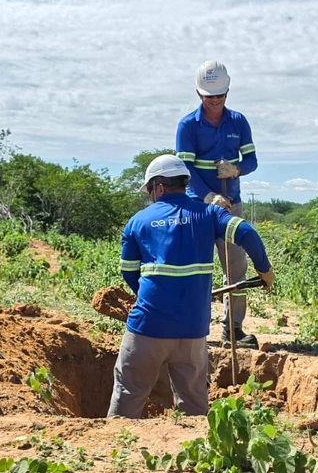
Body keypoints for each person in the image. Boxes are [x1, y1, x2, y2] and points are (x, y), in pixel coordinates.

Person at [107, 154, 275, 418]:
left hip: (148, 328)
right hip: (193, 330)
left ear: (158, 187)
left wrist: (154, 298)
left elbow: (129, 273)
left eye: (150, 189)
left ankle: (117, 455)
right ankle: (195, 456)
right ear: (184, 183)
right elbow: (247, 233)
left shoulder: (138, 221)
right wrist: (264, 270)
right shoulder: (209, 213)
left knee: (128, 393)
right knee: (194, 403)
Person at [176, 60, 261, 348]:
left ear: (227, 91)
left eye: (220, 95)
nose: (215, 101)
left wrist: (236, 170)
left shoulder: (238, 122)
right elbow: (184, 169)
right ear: (199, 94)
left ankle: (233, 330)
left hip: (230, 207)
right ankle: (189, 329)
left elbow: (252, 160)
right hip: (198, 208)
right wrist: (208, 196)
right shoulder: (188, 126)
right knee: (193, 268)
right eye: (210, 96)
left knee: (235, 270)